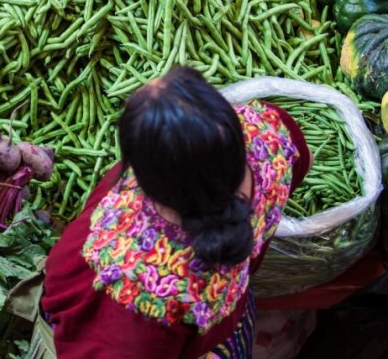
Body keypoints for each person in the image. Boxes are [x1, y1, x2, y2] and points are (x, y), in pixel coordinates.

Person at [42, 66, 312, 358]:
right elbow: (302, 159)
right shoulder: (270, 137)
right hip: (223, 317)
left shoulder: (135, 287)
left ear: (146, 180)